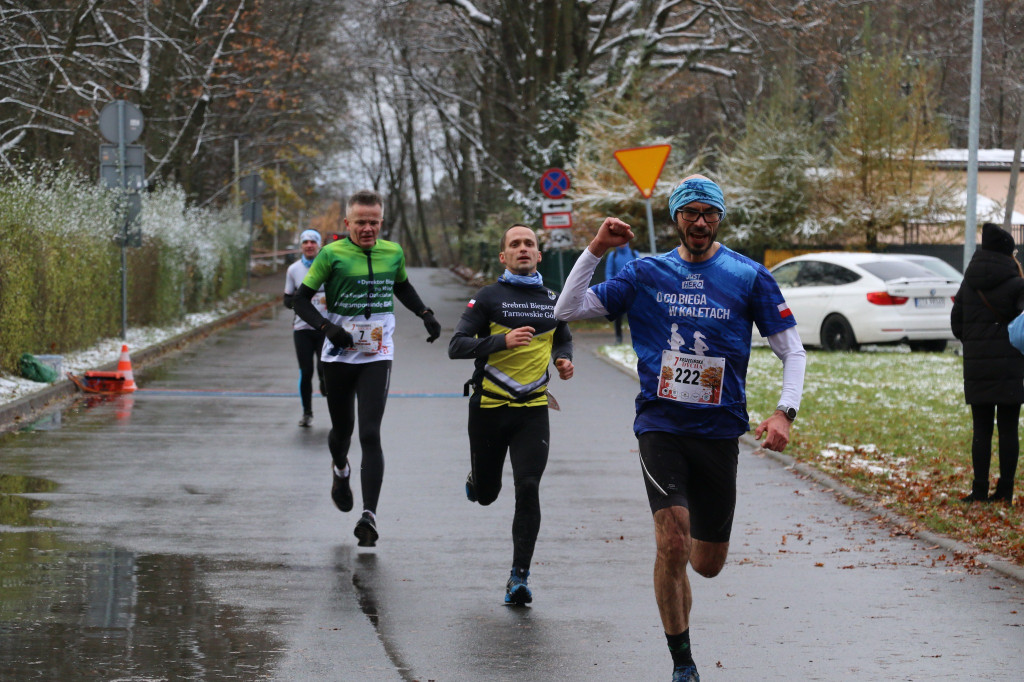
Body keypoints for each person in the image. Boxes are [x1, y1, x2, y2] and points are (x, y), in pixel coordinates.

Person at [553, 175, 806, 682]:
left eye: (709, 213)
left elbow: (792, 351)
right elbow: (567, 310)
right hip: (660, 424)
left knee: (706, 563)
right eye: (690, 213)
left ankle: (687, 555)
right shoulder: (646, 273)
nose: (700, 222)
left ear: (720, 218)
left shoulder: (749, 276)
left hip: (719, 430)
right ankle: (683, 663)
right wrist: (597, 248)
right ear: (676, 219)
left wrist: (785, 411)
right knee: (671, 542)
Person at [292, 189, 442, 547]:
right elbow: (300, 301)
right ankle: (340, 469)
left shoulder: (393, 252)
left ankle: (369, 516)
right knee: (342, 431)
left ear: (381, 222)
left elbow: (402, 286)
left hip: (377, 353)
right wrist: (327, 328)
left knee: (370, 433)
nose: (367, 229)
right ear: (347, 223)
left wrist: (425, 313)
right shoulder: (331, 254)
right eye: (360, 222)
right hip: (338, 354)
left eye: (374, 222)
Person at [448, 224, 574, 606]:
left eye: (529, 244)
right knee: (487, 495)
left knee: (529, 486)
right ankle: (478, 478)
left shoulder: (554, 299)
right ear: (503, 256)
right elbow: (456, 346)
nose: (523, 248)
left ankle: (519, 576)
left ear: (539, 255)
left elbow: (562, 336)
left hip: (532, 409)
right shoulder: (488, 297)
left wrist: (563, 359)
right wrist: (502, 340)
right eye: (515, 244)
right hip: (489, 407)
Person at [951, 222, 1024, 504]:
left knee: (981, 428)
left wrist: (975, 345)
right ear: (1007, 253)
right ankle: (1005, 490)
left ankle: (979, 489)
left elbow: (956, 323)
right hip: (1010, 365)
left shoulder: (968, 283)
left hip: (977, 367)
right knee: (1008, 428)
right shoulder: (1017, 284)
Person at [283, 229, 328, 427]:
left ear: (319, 245)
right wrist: (300, 302)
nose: (309, 245)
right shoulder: (293, 270)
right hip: (302, 329)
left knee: (324, 368)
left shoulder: (328, 267)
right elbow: (286, 301)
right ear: (301, 246)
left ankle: (324, 384)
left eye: (313, 242)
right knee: (306, 371)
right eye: (305, 242)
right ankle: (307, 413)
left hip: (325, 328)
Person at [605, 243, 638, 343]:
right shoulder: (613, 255)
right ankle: (618, 338)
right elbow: (609, 272)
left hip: (632, 290)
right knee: (617, 316)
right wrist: (612, 286)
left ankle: (637, 339)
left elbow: (640, 270)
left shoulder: (634, 254)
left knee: (636, 316)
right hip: (618, 290)